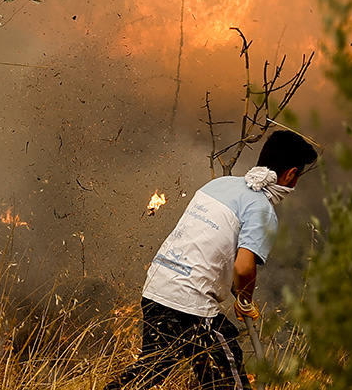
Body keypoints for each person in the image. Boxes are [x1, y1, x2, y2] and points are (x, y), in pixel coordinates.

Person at [103, 130, 317, 390]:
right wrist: (245, 301)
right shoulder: (262, 210)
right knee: (229, 379)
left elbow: (209, 246)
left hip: (157, 290)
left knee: (151, 371)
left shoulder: (220, 185)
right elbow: (243, 266)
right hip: (190, 305)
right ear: (290, 174)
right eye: (298, 178)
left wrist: (237, 289)